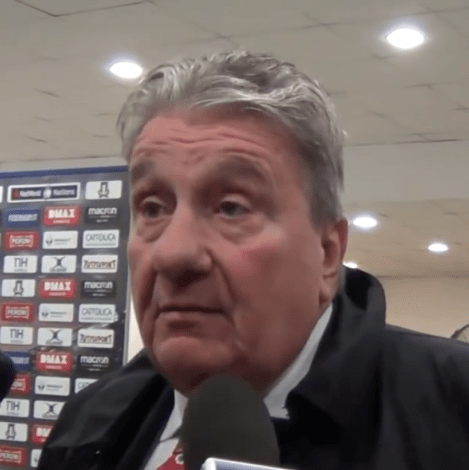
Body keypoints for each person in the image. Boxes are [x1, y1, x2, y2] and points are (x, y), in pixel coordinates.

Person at [37, 51, 469, 470]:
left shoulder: (454, 411)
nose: (172, 253)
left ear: (327, 254)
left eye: (231, 207)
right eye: (152, 208)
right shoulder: (87, 421)